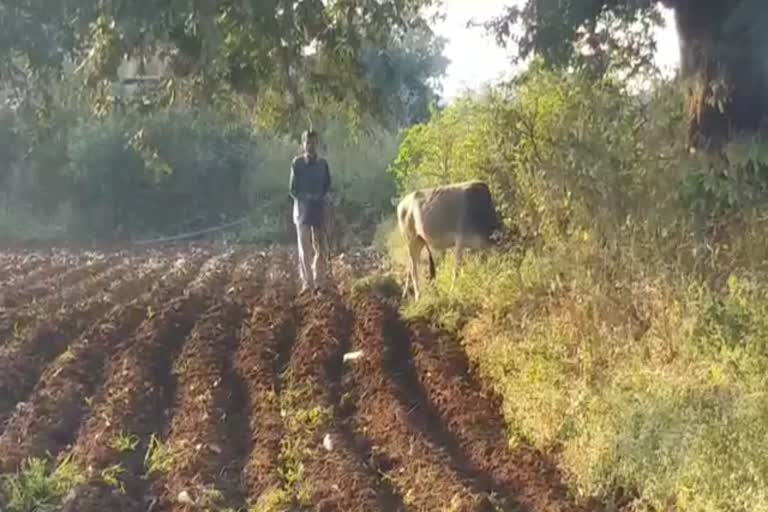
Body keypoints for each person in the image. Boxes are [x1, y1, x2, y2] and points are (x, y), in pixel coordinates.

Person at [289, 129, 332, 292]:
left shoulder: (323, 164)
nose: (311, 145)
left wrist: (325, 197)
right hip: (302, 211)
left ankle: (319, 280)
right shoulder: (297, 163)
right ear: (303, 144)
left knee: (321, 247)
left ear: (317, 144)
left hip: (319, 209)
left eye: (313, 142)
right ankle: (307, 283)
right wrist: (306, 198)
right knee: (304, 248)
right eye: (308, 142)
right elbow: (292, 190)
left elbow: (328, 185)